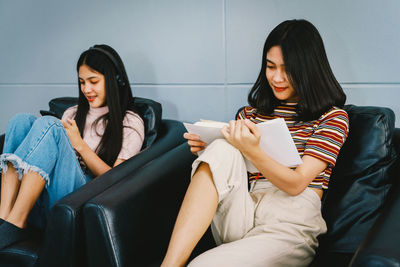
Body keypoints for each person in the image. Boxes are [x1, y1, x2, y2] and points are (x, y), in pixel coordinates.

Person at [161, 19, 349, 266]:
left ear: (308, 69)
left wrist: (251, 149)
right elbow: (234, 171)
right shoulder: (250, 115)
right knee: (222, 148)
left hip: (289, 222)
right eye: (271, 67)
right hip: (242, 210)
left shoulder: (332, 117)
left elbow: (296, 184)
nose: (277, 78)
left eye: (288, 69)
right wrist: (208, 152)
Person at [0, 44, 145, 249]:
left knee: (49, 124)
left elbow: (118, 179)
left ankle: (16, 220)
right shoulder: (72, 113)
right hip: (42, 198)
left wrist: (79, 145)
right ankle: (5, 216)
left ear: (115, 81)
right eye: (82, 82)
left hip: (80, 200)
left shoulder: (129, 122)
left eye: (93, 81)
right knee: (20, 120)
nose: (86, 89)